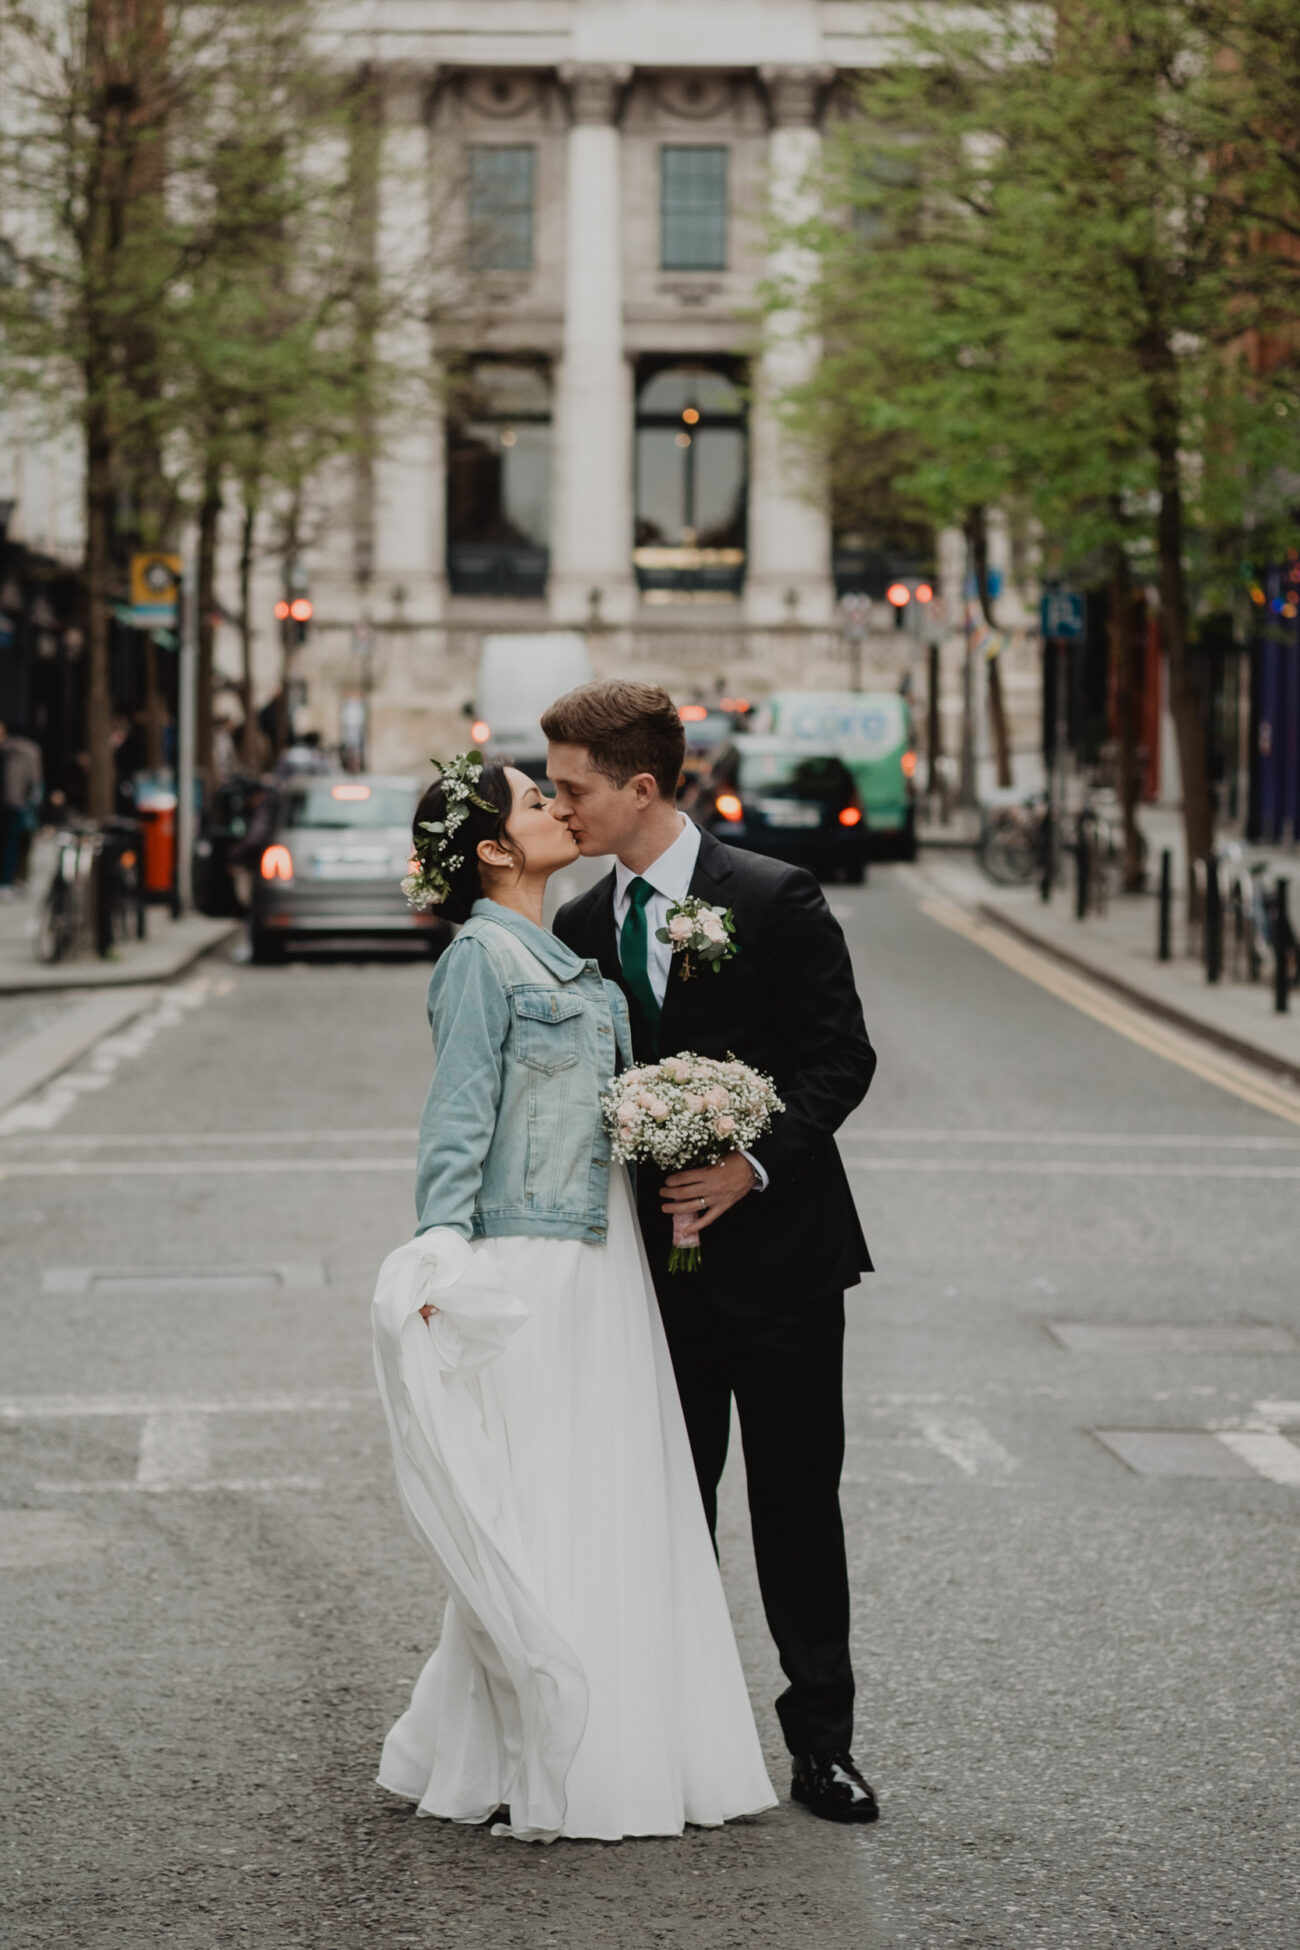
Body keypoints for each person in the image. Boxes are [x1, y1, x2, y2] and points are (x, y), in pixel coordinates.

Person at [371, 752, 775, 1843]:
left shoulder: (566, 949)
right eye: (535, 799)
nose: (558, 807)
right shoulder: (478, 960)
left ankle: (629, 1732)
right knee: (540, 1507)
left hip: (609, 1266)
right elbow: (456, 1116)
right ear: (495, 848)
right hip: (529, 1264)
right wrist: (442, 1252)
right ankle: (528, 1745)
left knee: (607, 1496)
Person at [546, 680, 881, 1826]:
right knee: (664, 1511)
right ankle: (677, 1741)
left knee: (794, 1508)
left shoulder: (775, 897)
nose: (558, 806)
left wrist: (751, 1163)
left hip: (784, 1264)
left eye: (572, 788)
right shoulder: (580, 925)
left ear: (641, 787)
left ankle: (823, 1746)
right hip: (650, 1280)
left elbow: (842, 1059)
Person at [0, 718, 44, 896]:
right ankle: (16, 880)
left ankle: (7, 881)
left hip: (8, 802)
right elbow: (36, 780)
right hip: (21, 803)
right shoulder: (31, 750)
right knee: (19, 843)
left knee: (8, 843)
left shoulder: (6, 749)